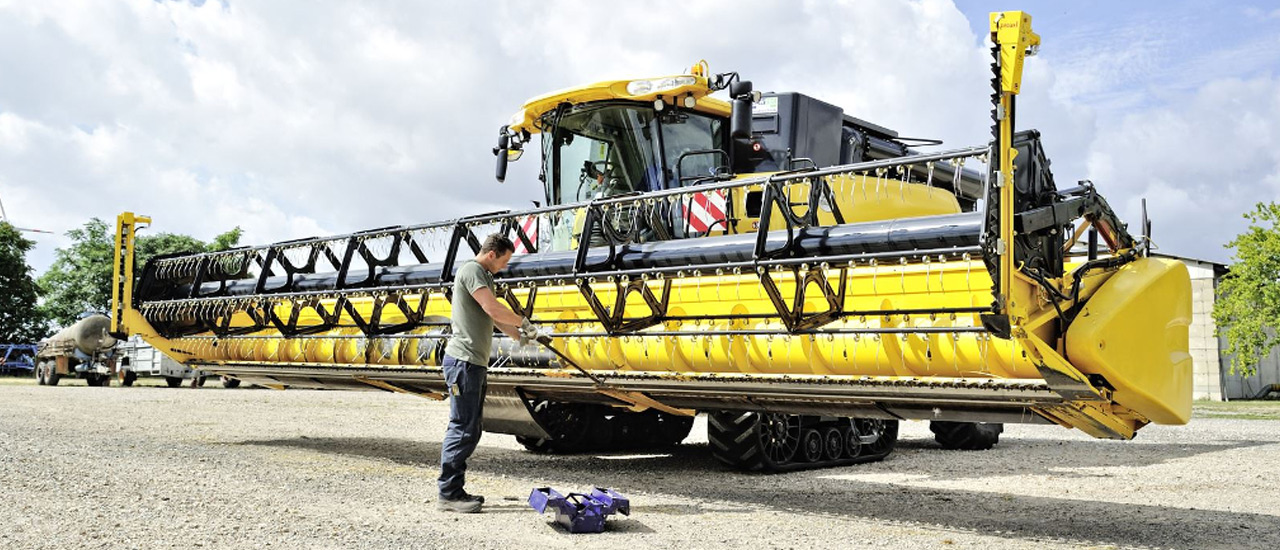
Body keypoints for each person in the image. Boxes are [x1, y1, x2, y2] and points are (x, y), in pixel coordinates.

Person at [437, 233, 537, 513]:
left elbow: (492, 317)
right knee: (463, 427)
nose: (505, 266)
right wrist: (524, 321)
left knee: (469, 427)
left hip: (474, 364)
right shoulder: (472, 270)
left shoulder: (485, 276)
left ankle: (454, 490)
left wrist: (520, 335)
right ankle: (449, 494)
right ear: (492, 254)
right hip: (463, 363)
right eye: (504, 260)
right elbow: (491, 307)